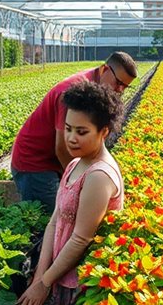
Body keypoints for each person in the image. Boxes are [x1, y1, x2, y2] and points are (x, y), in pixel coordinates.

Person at [17, 81, 125, 305]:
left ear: (103, 132)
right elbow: (54, 222)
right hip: (58, 273)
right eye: (68, 129)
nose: (71, 138)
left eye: (81, 131)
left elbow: (80, 239)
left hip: (81, 283)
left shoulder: (99, 176)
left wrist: (44, 283)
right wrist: (39, 277)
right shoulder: (75, 163)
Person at [10, 52, 136, 213]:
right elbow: (62, 148)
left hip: (54, 161)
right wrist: (77, 183)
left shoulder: (98, 87)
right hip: (36, 163)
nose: (120, 90)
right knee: (52, 218)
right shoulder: (73, 93)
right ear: (105, 69)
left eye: (125, 86)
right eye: (118, 83)